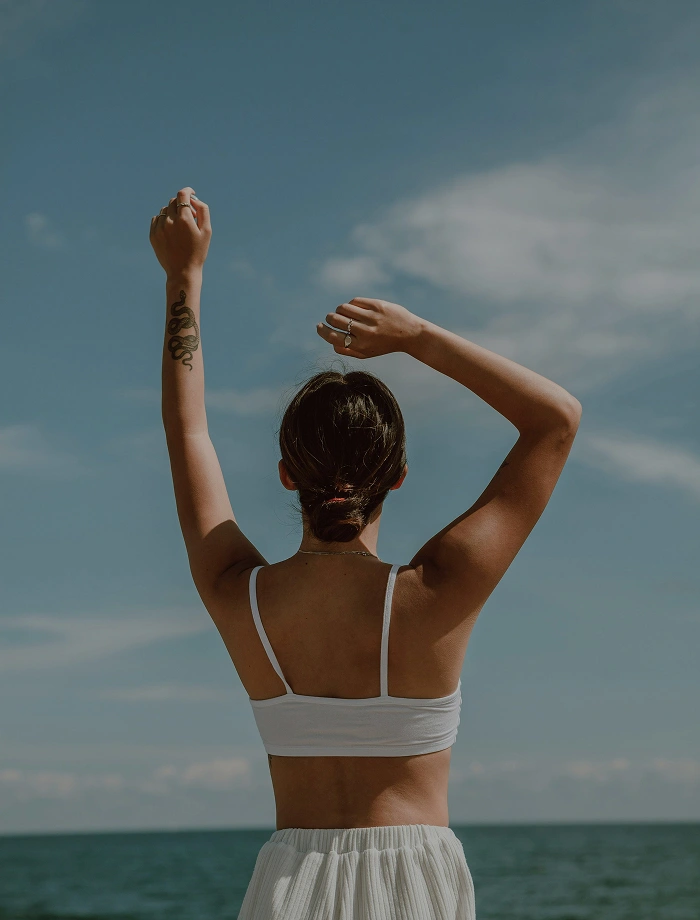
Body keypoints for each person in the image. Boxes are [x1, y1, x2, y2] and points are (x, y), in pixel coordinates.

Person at [150, 188, 582, 920]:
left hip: (288, 886)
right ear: (400, 476)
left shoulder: (237, 592)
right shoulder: (436, 589)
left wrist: (182, 275)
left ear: (287, 475)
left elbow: (187, 432)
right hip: (415, 885)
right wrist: (417, 336)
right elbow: (555, 421)